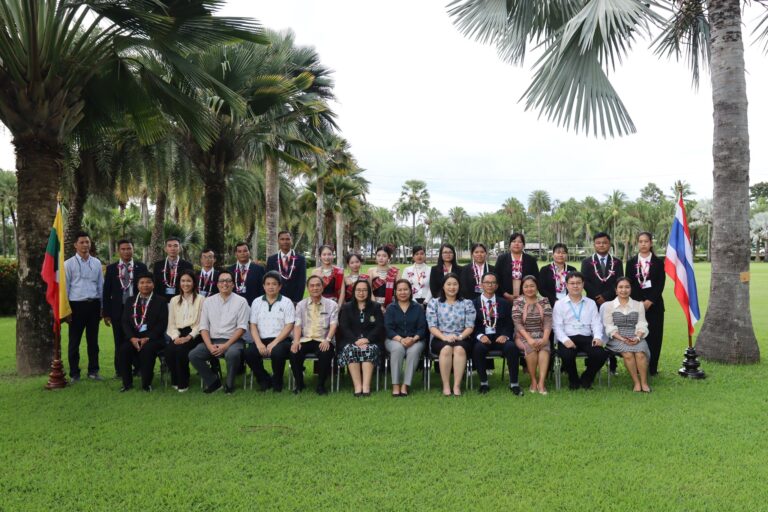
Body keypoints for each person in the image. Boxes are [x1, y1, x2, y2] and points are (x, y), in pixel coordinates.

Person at [188, 270, 250, 394]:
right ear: (217, 284)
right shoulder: (208, 301)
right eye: (222, 281)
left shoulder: (241, 301)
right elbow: (203, 327)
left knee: (232, 354)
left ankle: (229, 385)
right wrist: (210, 346)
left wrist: (226, 345)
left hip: (234, 341)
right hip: (213, 341)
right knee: (194, 355)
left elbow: (242, 328)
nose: (225, 284)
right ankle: (213, 382)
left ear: (233, 284)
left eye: (228, 281)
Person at [552, 272, 607, 390]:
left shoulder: (591, 303)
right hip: (568, 337)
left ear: (583, 285)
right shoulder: (559, 304)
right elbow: (557, 326)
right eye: (572, 283)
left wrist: (597, 337)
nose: (575, 286)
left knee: (601, 354)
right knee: (566, 355)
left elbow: (596, 323)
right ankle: (574, 380)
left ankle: (587, 378)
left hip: (586, 337)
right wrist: (565, 340)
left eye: (578, 283)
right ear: (566, 285)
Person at [102, 239, 148, 378]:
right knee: (119, 340)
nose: (126, 251)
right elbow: (106, 292)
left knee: (137, 338)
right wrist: (106, 313)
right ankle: (120, 370)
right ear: (118, 251)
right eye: (123, 249)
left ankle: (139, 368)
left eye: (129, 248)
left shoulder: (141, 267)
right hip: (118, 310)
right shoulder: (111, 269)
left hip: (137, 310)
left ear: (133, 250)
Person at [244, 271, 295, 392]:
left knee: (277, 352)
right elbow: (253, 325)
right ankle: (264, 379)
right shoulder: (256, 302)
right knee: (248, 353)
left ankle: (277, 381)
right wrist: (258, 343)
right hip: (261, 339)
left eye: (274, 284)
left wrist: (275, 342)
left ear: (280, 286)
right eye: (268, 284)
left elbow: (289, 325)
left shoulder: (287, 302)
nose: (271, 287)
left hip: (282, 339)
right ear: (263, 286)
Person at [471, 272, 521, 395]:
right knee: (477, 348)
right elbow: (471, 325)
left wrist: (505, 335)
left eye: (493, 283)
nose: (490, 285)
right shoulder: (473, 303)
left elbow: (510, 323)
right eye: (487, 282)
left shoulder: (504, 303)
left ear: (497, 286)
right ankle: (484, 383)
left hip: (500, 337)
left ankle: (514, 383)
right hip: (483, 338)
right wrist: (480, 336)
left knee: (512, 347)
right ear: (481, 285)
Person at [426, 273, 476, 396]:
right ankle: (446, 385)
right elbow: (432, 326)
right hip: (440, 337)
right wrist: (445, 337)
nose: (452, 287)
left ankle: (457, 385)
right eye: (448, 284)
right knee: (446, 348)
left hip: (462, 337)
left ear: (459, 286)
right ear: (443, 286)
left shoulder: (467, 303)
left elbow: (470, 326)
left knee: (459, 349)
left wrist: (459, 337)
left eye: (455, 284)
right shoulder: (434, 303)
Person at [580, 232, 623, 374]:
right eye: (598, 243)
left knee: (611, 330)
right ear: (594, 245)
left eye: (604, 242)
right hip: (592, 302)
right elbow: (585, 282)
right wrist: (597, 296)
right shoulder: (586, 262)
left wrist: (606, 296)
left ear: (609, 244)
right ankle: (591, 363)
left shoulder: (617, 262)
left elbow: (619, 281)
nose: (601, 245)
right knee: (593, 331)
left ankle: (612, 365)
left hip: (611, 302)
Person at [117, 273, 168, 392]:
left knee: (147, 350)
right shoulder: (130, 301)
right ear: (137, 285)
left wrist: (148, 337)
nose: (145, 285)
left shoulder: (161, 301)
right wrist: (132, 338)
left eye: (148, 282)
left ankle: (146, 384)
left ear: (153, 285)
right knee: (124, 350)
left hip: (154, 339)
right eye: (142, 282)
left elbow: (162, 323)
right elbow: (124, 322)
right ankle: (126, 384)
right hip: (134, 338)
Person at [65, 231, 105, 381]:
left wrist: (102, 307)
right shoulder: (68, 264)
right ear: (75, 245)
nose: (85, 245)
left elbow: (101, 286)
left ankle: (93, 371)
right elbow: (66, 288)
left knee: (93, 341)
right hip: (76, 307)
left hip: (93, 305)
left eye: (87, 242)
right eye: (81, 242)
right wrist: (67, 311)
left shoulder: (96, 263)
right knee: (74, 341)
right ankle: (74, 373)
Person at [291, 275, 340, 395]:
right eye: (312, 286)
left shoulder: (332, 305)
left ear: (323, 287)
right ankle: (299, 383)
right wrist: (296, 341)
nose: (315, 288)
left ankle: (321, 385)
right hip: (305, 339)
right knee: (294, 352)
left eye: (318, 285)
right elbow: (297, 325)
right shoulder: (301, 305)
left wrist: (328, 340)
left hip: (323, 339)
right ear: (308, 288)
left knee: (325, 353)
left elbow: (334, 324)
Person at [626, 232, 666, 376]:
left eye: (646, 241)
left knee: (655, 337)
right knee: (638, 335)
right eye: (640, 241)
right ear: (637, 243)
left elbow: (660, 284)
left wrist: (650, 300)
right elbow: (629, 284)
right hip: (636, 305)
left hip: (655, 306)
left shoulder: (659, 262)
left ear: (651, 243)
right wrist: (640, 303)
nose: (643, 244)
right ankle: (638, 366)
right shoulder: (631, 263)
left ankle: (653, 368)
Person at [602, 277, 651, 392]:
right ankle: (636, 383)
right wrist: (622, 338)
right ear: (616, 290)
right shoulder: (608, 306)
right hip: (616, 337)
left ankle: (644, 383)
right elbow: (608, 327)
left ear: (631, 289)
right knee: (628, 354)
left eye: (627, 287)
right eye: (621, 287)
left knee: (640, 353)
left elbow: (642, 324)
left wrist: (638, 337)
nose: (624, 290)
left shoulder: (639, 305)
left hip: (636, 335)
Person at [337, 280, 385, 396]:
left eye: (364, 290)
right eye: (358, 290)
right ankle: (357, 386)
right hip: (351, 341)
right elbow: (344, 327)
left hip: (371, 341)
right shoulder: (347, 307)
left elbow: (379, 326)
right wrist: (355, 341)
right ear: (354, 292)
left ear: (369, 292)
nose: (361, 293)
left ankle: (366, 386)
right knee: (351, 350)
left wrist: (367, 340)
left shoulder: (376, 307)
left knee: (369, 349)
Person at [164, 270, 205, 393]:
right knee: (169, 351)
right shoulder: (174, 300)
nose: (185, 284)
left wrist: (189, 337)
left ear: (194, 283)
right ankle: (175, 379)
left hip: (195, 334)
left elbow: (200, 323)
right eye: (183, 281)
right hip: (178, 332)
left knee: (181, 350)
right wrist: (176, 337)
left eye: (188, 281)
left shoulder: (201, 299)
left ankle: (184, 381)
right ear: (179, 283)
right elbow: (171, 323)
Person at [385, 279, 427, 397]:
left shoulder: (418, 307)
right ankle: (396, 384)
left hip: (416, 339)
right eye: (400, 290)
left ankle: (406, 385)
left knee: (413, 351)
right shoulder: (390, 308)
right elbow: (388, 329)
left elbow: (422, 328)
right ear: (395, 292)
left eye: (405, 289)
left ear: (410, 291)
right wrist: (401, 339)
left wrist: (413, 339)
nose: (402, 292)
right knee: (398, 349)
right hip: (394, 339)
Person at [512, 275, 553, 395]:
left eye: (532, 286)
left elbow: (548, 321)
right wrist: (529, 339)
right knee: (531, 348)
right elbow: (517, 323)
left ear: (536, 287)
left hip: (541, 334)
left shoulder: (544, 300)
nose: (529, 289)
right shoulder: (518, 301)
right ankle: (533, 381)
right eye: (526, 286)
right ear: (522, 288)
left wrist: (545, 338)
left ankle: (541, 383)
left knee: (544, 349)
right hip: (523, 335)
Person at [266, 231, 307, 304]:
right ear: (278, 241)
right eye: (282, 239)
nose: (285, 241)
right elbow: (268, 281)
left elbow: (301, 282)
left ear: (291, 241)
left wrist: (296, 300)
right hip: (276, 299)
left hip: (294, 300)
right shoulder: (271, 259)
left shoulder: (300, 259)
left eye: (288, 239)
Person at [496, 233, 539, 303]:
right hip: (505, 298)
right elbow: (497, 278)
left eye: (519, 242)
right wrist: (505, 294)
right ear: (510, 244)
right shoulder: (502, 259)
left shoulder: (531, 260)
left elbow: (536, 278)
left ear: (523, 245)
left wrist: (526, 294)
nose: (516, 244)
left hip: (526, 298)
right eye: (514, 241)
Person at [152, 236, 193, 302]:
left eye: (175, 246)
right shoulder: (158, 265)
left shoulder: (187, 265)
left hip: (181, 300)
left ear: (180, 249)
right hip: (162, 301)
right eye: (169, 246)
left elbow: (190, 285)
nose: (172, 248)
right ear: (165, 249)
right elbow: (155, 285)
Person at [229, 242, 265, 306]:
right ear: (236, 254)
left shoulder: (259, 269)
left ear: (249, 252)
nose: (242, 253)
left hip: (254, 305)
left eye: (245, 251)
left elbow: (262, 289)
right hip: (234, 306)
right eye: (239, 251)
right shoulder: (229, 270)